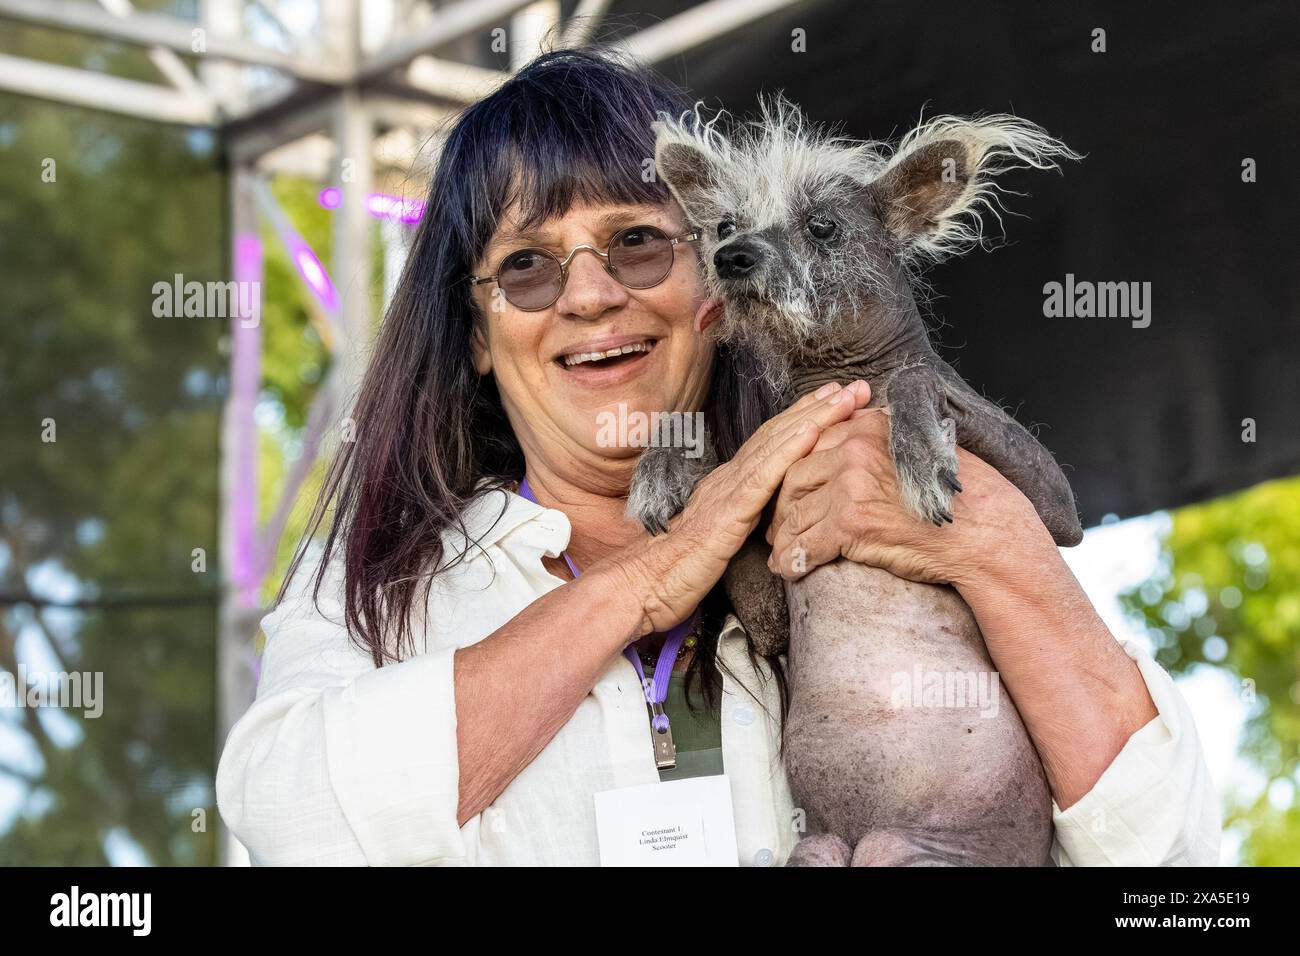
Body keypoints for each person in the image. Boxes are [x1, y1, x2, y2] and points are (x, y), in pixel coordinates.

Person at [215, 49, 1220, 866]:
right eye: (526, 265)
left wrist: (991, 546)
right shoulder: (392, 576)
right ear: (477, 332)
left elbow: (1170, 856)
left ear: (718, 281)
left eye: (638, 244)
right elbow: (289, 818)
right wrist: (647, 578)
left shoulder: (869, 498)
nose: (590, 294)